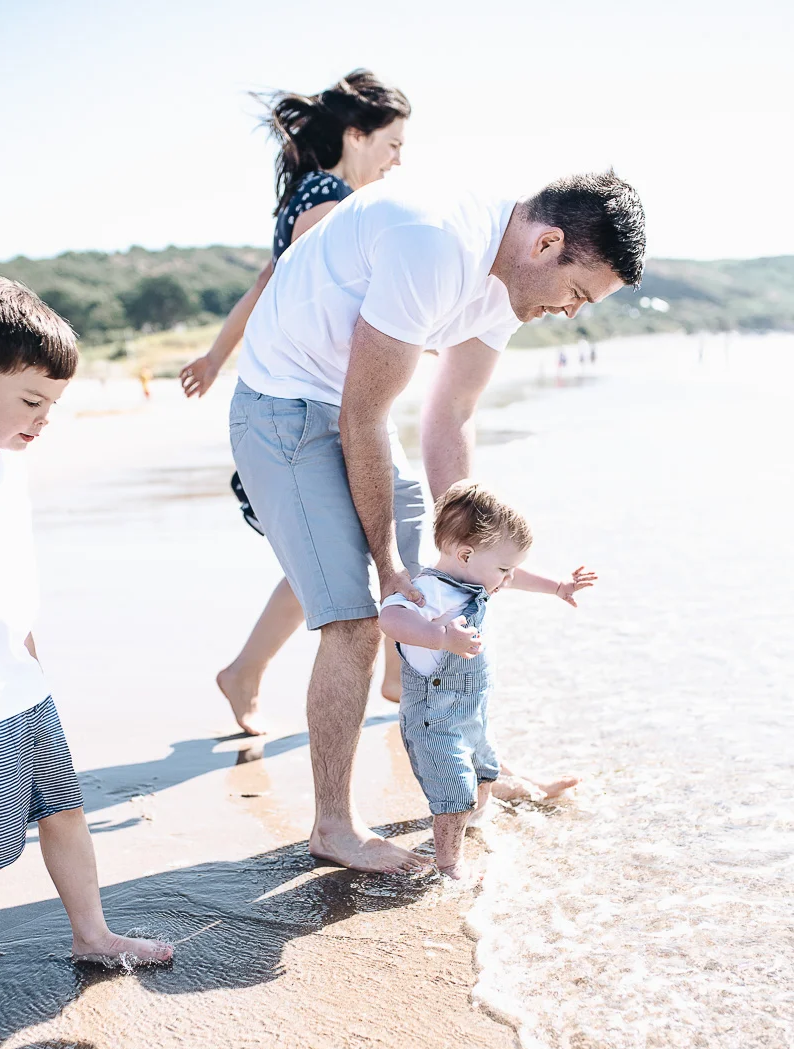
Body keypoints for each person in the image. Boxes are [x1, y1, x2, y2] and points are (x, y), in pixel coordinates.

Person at [231, 169, 645, 875]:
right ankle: (333, 824)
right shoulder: (434, 243)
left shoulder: (511, 282)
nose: (571, 312)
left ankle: (478, 766)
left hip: (351, 411)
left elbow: (449, 416)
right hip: (285, 409)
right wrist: (392, 563)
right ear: (547, 243)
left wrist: (470, 548)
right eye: (577, 293)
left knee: (463, 585)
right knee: (358, 618)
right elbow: (363, 413)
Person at [0, 279, 174, 996]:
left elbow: (0, 575)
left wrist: (33, 656)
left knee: (63, 809)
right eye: (30, 401)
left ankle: (92, 933)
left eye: (53, 405)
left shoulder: (3, 457)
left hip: (18, 680)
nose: (44, 419)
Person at [179, 70, 411, 734]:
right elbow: (285, 281)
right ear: (357, 136)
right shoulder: (331, 200)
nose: (399, 161)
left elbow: (268, 282)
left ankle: (248, 671)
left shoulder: (322, 196)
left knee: (333, 555)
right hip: (305, 405)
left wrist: (217, 357)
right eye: (392, 144)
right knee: (353, 549)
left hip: (310, 399)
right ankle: (390, 670)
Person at [379, 482, 597, 878]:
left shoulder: (479, 576)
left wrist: (559, 588)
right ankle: (449, 863)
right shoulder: (426, 592)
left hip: (472, 714)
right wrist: (442, 638)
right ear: (465, 554)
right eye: (503, 569)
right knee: (454, 798)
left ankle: (478, 822)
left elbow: (519, 576)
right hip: (435, 720)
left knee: (485, 774)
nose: (507, 579)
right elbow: (389, 618)